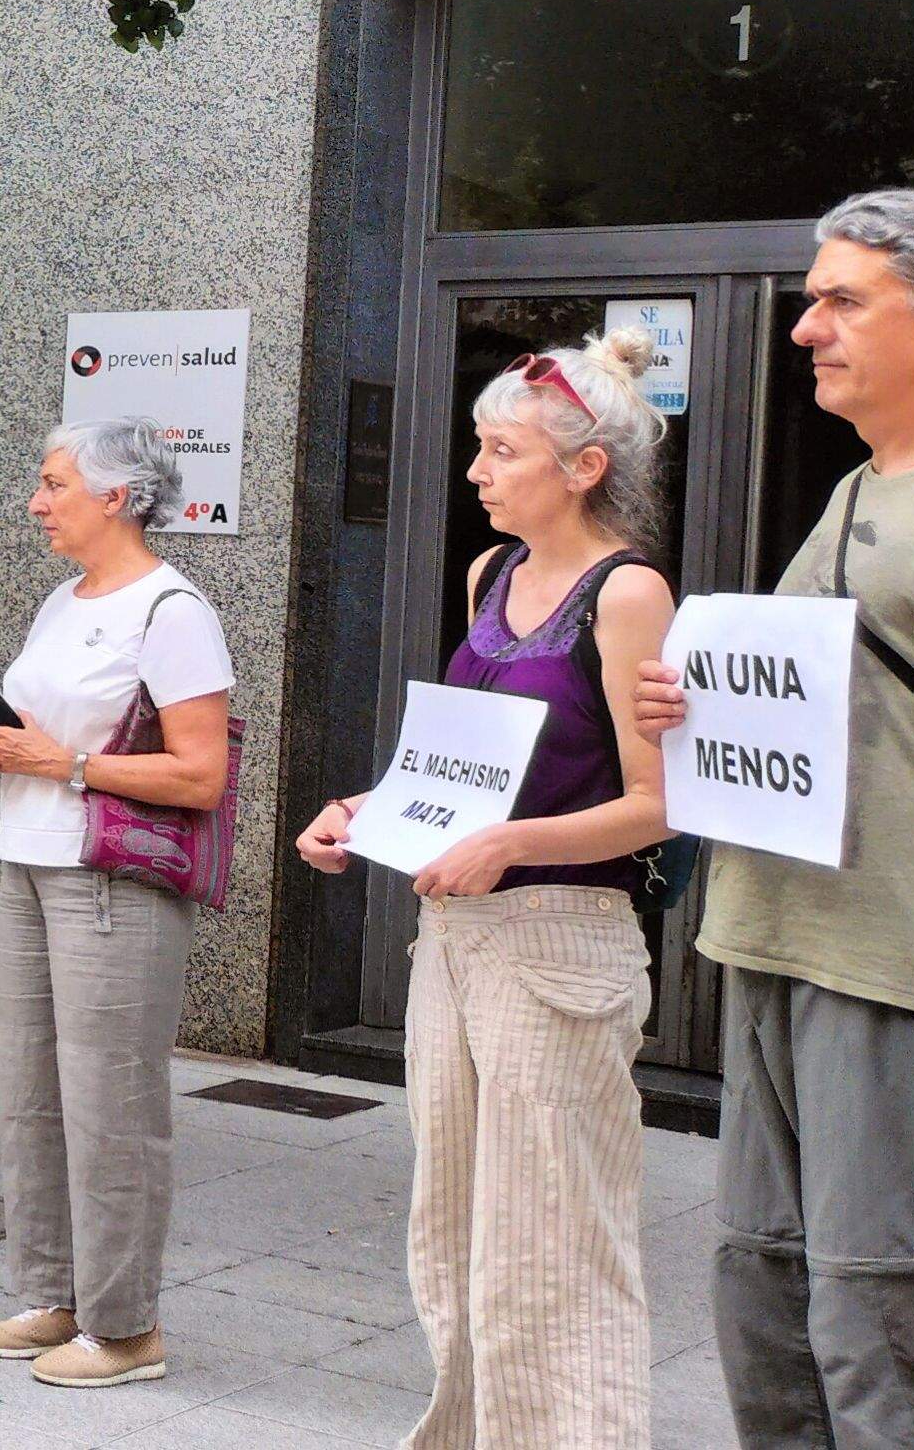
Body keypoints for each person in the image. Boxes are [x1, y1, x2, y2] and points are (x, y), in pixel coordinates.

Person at [636, 188, 914, 1445]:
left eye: (841, 300)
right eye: (809, 299)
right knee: (768, 1313)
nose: (803, 328)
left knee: (888, 1329)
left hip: (905, 973)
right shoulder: (852, 490)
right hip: (775, 941)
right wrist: (701, 702)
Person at [299, 333, 675, 1447]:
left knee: (556, 1235)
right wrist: (364, 811)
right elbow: (458, 769)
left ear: (582, 467)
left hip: (563, 939)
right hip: (457, 938)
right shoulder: (489, 574)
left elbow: (658, 804)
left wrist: (509, 845)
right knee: (455, 1224)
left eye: (499, 450)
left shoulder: (629, 591)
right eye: (477, 446)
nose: (474, 471)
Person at [0, 417, 234, 1390]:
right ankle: (49, 1296)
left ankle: (124, 1329)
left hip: (109, 875)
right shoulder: (62, 601)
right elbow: (39, 728)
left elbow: (199, 774)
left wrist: (62, 763)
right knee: (29, 1095)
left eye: (54, 483)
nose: (37, 501)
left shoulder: (172, 610)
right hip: (27, 857)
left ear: (118, 497)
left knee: (112, 1105)